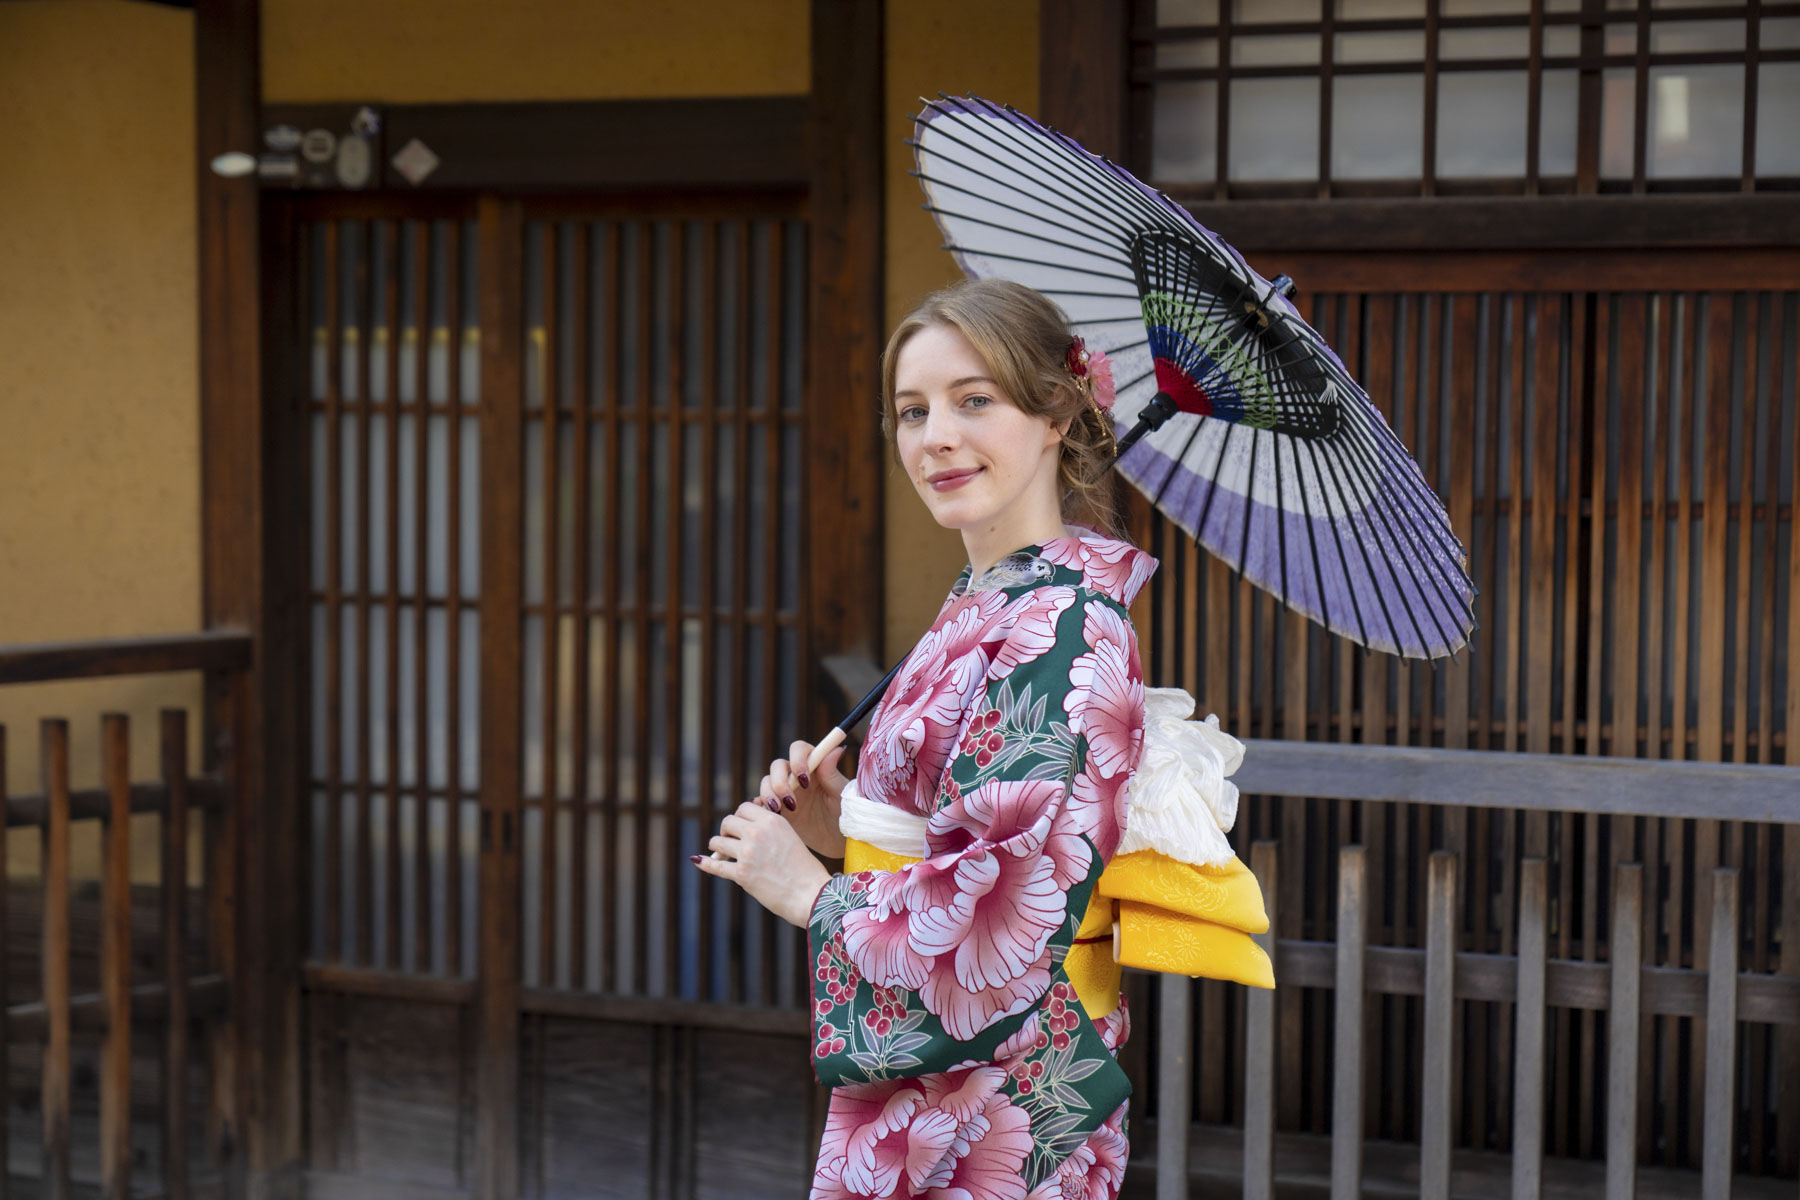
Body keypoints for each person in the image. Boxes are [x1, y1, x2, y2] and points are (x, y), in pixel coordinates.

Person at [692, 277, 1154, 1199]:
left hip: (1006, 1098)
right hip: (956, 1084)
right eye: (912, 410)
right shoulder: (986, 600)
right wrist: (844, 826)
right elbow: (945, 832)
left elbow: (1011, 904)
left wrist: (815, 894)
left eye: (973, 401)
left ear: (1057, 413)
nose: (934, 435)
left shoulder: (1065, 625)